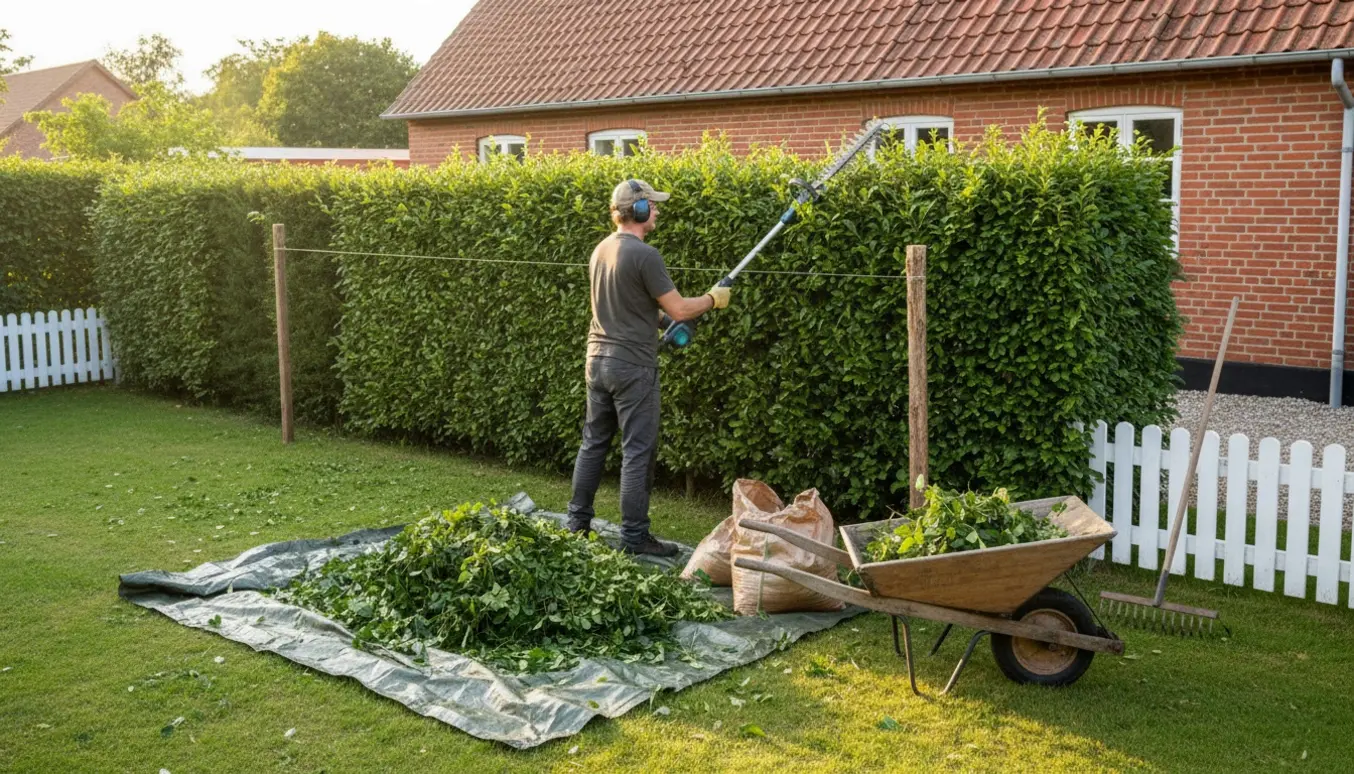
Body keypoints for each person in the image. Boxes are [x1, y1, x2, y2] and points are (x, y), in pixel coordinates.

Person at [565, 179, 731, 556]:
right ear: (637, 211)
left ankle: (576, 525)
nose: (657, 211)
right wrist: (712, 299)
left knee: (593, 443)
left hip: (597, 361)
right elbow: (680, 309)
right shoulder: (645, 255)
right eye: (652, 206)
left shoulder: (601, 249)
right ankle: (635, 538)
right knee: (638, 451)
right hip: (632, 367)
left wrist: (661, 324)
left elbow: (634, 307)